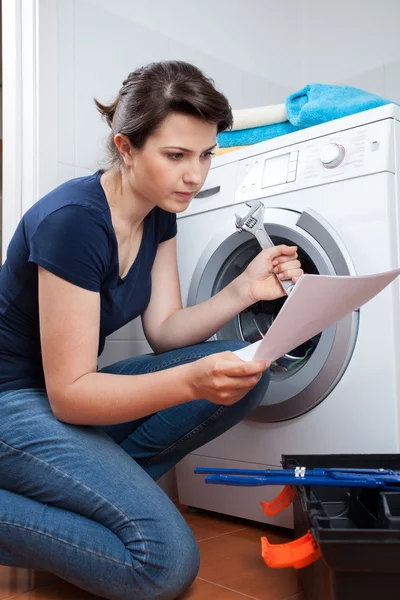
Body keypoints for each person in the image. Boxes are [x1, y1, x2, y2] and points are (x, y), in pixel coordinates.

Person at [0, 61, 303, 600]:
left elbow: (164, 330)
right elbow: (70, 397)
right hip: (14, 402)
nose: (196, 175)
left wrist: (244, 292)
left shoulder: (160, 212)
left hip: (55, 400)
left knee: (248, 366)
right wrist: (191, 382)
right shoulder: (71, 220)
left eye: (206, 154)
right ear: (125, 147)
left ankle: (82, 500)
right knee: (163, 566)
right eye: (176, 156)